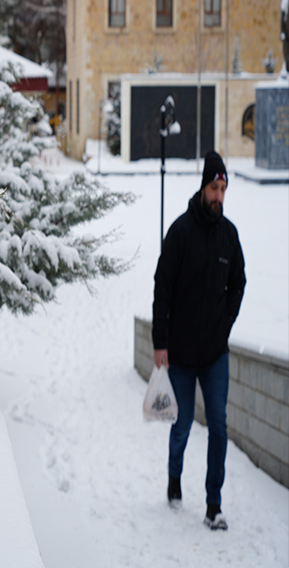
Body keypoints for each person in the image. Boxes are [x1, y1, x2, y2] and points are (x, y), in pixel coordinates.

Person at [152, 150, 245, 531]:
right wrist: (161, 343)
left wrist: (225, 323)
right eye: (214, 187)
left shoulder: (229, 235)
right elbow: (162, 289)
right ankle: (174, 477)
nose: (218, 196)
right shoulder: (180, 232)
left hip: (215, 354)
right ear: (203, 187)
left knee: (219, 428)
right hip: (181, 354)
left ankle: (213, 504)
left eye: (223, 189)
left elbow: (238, 283)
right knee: (183, 424)